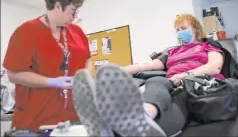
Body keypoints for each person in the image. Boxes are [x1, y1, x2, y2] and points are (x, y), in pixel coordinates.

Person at [72, 14, 225, 137]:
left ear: (195, 28)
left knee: (164, 87)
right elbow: (147, 66)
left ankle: (142, 115)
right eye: (177, 30)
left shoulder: (207, 46)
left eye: (183, 28)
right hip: (172, 85)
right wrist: (119, 70)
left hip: (197, 83)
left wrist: (185, 75)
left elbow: (214, 67)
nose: (180, 32)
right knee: (156, 87)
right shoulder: (172, 51)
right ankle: (108, 126)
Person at [2, 0, 92, 131]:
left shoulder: (77, 32)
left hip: (73, 120)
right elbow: (13, 74)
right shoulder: (26, 32)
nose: (75, 17)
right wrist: (50, 82)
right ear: (57, 7)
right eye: (72, 11)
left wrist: (86, 77)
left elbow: (88, 59)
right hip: (35, 122)